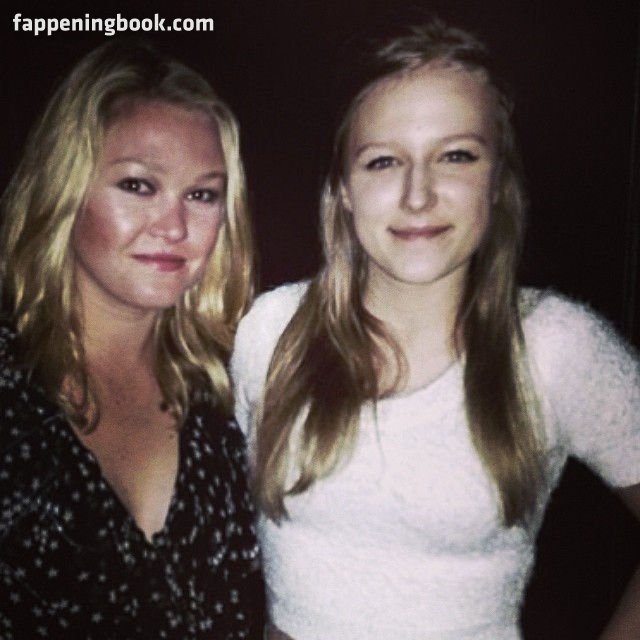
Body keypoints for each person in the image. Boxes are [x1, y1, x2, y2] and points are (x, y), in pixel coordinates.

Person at [231, 20, 640, 640]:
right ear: (344, 189)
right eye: (383, 161)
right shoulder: (271, 331)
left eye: (456, 156)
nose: (417, 195)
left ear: (497, 182)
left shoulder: (556, 347)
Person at [0, 41, 262, 639]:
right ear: (64, 190)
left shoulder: (235, 389)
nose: (174, 227)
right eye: (139, 186)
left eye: (202, 194)